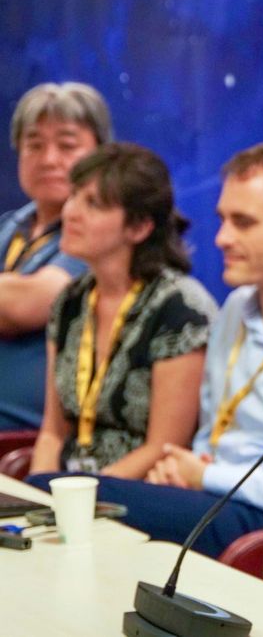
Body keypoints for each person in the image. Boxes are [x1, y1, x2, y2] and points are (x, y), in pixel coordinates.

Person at [76, 140, 263, 555]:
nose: (221, 238)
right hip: (201, 490)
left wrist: (205, 477)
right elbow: (209, 433)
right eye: (222, 220)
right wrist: (178, 470)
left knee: (60, 498)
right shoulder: (235, 308)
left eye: (244, 222)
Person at [28, 142, 214, 478]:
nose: (70, 212)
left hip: (135, 491)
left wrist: (84, 498)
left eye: (93, 204)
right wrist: (38, 493)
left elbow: (165, 446)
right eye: (73, 196)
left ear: (139, 227)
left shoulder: (179, 309)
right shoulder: (70, 300)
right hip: (67, 489)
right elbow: (52, 432)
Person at [0, 82, 112, 430]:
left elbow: (29, 305)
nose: (49, 159)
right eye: (34, 145)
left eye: (67, 145)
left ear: (100, 154)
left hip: (28, 436)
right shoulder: (9, 225)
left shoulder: (101, 234)